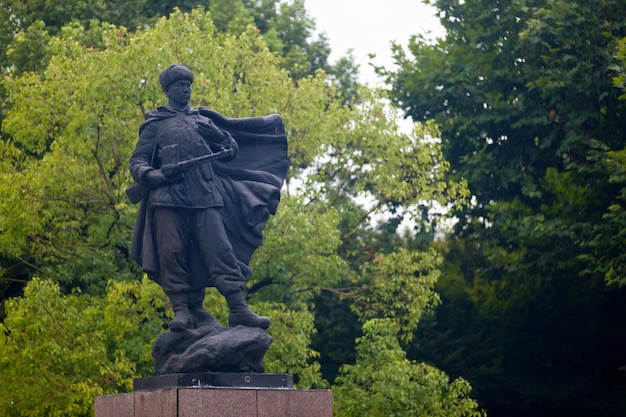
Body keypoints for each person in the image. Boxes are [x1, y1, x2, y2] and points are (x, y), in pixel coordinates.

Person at [128, 64, 288, 331]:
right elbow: (138, 162)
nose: (186, 90)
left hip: (204, 194)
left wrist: (220, 136)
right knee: (171, 253)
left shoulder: (202, 120)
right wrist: (153, 175)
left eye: (188, 85)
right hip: (167, 198)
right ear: (168, 90)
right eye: (180, 85)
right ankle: (182, 311)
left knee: (220, 250)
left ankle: (238, 308)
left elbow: (230, 149)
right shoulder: (156, 124)